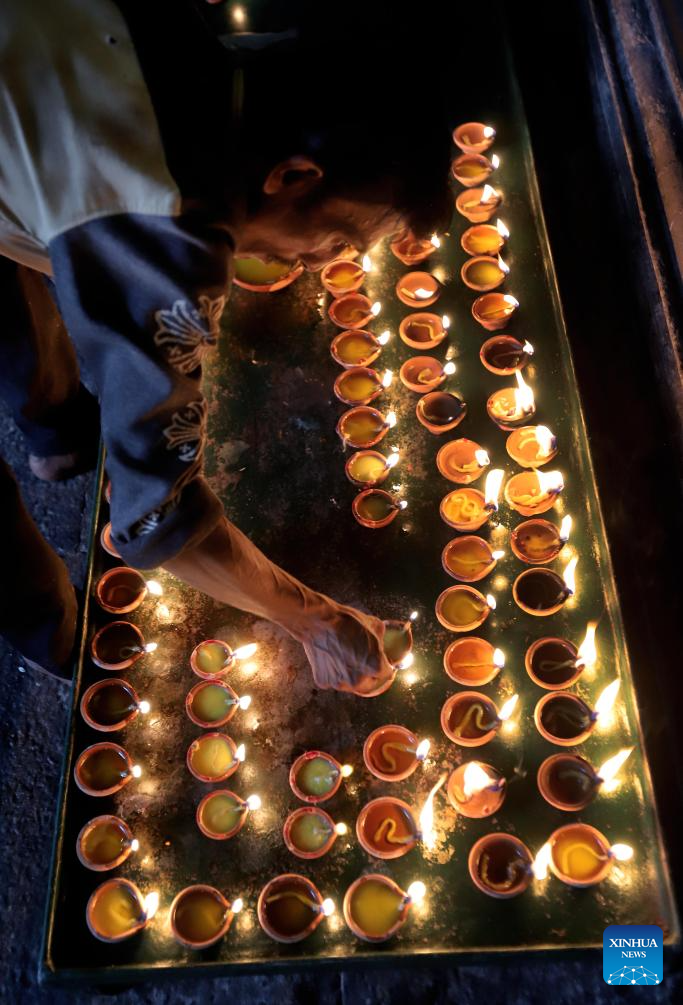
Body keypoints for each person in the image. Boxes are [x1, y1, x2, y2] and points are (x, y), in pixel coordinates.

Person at [0, 0, 451, 691]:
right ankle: (59, 640)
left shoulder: (197, 43)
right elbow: (157, 518)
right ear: (293, 177)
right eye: (338, 241)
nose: (324, 262)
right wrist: (318, 622)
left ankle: (58, 429)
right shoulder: (161, 225)